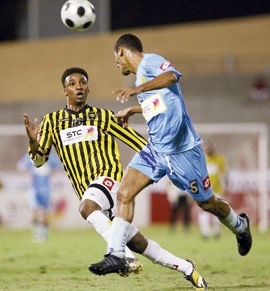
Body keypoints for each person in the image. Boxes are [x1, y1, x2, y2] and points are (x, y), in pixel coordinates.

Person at [89, 34, 252, 289]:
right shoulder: (142, 81)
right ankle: (116, 254)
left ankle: (240, 226)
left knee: (208, 204)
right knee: (124, 192)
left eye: (115, 59)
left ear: (122, 52)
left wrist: (136, 90)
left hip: (184, 152)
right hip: (155, 150)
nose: (116, 65)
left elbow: (172, 77)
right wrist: (131, 110)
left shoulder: (150, 63)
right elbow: (158, 104)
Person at [24, 67, 207, 287]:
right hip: (89, 192)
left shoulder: (104, 117)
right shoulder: (52, 122)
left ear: (88, 88)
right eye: (72, 83)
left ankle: (123, 257)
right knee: (141, 244)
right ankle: (187, 268)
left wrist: (169, 167)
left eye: (83, 82)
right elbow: (38, 160)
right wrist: (33, 142)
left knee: (86, 207)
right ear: (65, 90)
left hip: (108, 181)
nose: (78, 86)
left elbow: (140, 144)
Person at [17, 152, 62, 243]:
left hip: (46, 188)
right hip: (34, 188)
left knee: (44, 213)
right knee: (34, 211)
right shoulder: (30, 156)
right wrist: (28, 175)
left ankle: (43, 235)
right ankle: (35, 234)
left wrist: (51, 175)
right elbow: (20, 166)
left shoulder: (49, 157)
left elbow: (59, 167)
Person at [198, 140, 228, 239]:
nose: (207, 150)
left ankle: (216, 232)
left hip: (217, 190)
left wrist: (226, 185)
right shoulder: (202, 159)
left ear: (212, 148)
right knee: (204, 211)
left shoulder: (219, 159)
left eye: (209, 148)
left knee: (217, 211)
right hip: (204, 190)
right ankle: (205, 233)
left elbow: (224, 174)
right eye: (206, 148)